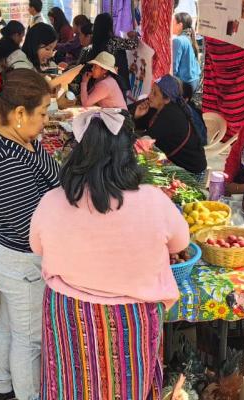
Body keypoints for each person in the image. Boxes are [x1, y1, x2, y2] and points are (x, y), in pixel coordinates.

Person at [32, 108, 186, 399]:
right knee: (127, 389)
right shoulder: (153, 200)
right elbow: (180, 242)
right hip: (131, 318)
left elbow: (36, 246)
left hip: (69, 315)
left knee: (71, 387)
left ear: (79, 152)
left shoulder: (52, 201)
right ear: (128, 152)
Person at [0, 67, 58, 400]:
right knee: (29, 339)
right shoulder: (3, 162)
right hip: (20, 258)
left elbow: (54, 176)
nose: (45, 121)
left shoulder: (14, 137)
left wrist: (35, 145)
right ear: (20, 113)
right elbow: (31, 227)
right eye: (42, 113)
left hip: (10, 254)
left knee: (11, 322)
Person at [134, 75, 206, 178]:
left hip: (191, 173)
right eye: (151, 91)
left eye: (154, 93)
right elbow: (139, 128)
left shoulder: (171, 114)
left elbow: (145, 140)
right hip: (174, 165)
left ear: (167, 99)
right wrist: (137, 116)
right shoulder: (156, 108)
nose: (149, 96)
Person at [80, 13, 138, 90]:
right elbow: (133, 44)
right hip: (114, 81)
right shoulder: (114, 41)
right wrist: (134, 35)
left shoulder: (95, 42)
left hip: (98, 81)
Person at [171, 12, 200, 91]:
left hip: (185, 83)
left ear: (180, 25)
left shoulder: (178, 41)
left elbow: (174, 67)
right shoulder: (189, 38)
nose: (171, 25)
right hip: (194, 80)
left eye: (173, 22)